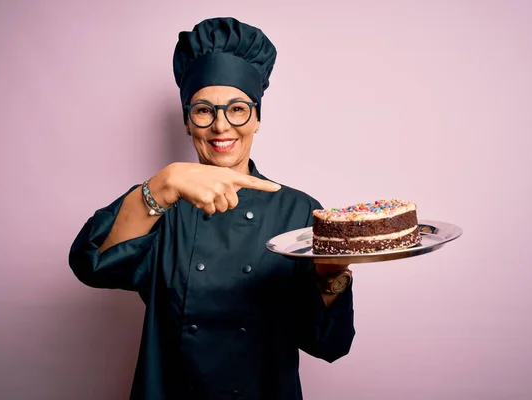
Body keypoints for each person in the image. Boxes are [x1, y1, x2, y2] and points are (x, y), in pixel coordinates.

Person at [69, 17, 355, 400]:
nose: (221, 127)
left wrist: (331, 275)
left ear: (257, 118)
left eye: (237, 109)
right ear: (188, 122)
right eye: (204, 110)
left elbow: (329, 344)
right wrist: (162, 185)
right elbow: (94, 266)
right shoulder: (159, 203)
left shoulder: (299, 211)